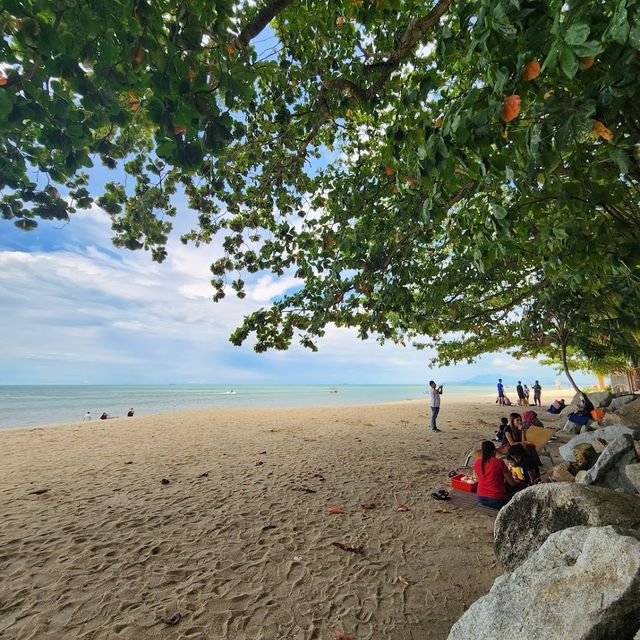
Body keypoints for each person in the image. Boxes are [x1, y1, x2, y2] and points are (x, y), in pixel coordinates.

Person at [474, 440, 516, 509]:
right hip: (496, 500)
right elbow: (512, 483)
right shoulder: (499, 462)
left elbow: (479, 478)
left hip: (481, 498)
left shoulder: (477, 462)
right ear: (494, 451)